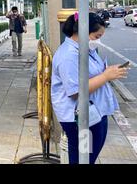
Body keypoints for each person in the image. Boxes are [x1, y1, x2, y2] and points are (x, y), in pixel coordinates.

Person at [51, 12, 128, 164]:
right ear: (83, 31)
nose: (98, 41)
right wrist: (106, 76)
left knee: (86, 156)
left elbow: (93, 74)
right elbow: (75, 91)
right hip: (80, 118)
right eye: (97, 37)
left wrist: (108, 72)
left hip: (94, 113)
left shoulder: (85, 49)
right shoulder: (69, 55)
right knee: (84, 157)